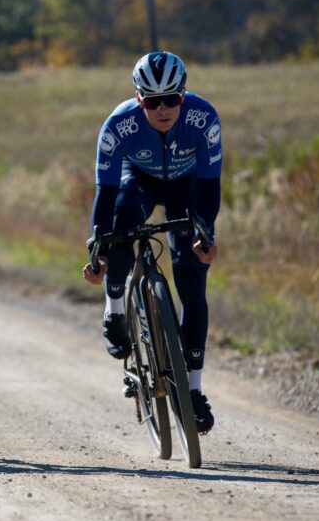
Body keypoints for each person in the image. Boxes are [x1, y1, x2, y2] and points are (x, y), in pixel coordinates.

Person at [82, 51, 222, 433]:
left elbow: (210, 188)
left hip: (185, 187)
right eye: (152, 101)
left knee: (192, 280)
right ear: (138, 98)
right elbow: (105, 195)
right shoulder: (117, 126)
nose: (163, 109)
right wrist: (99, 248)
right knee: (120, 225)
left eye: (172, 99)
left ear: (184, 94)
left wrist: (205, 233)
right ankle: (114, 309)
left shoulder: (203, 118)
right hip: (137, 183)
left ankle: (192, 391)